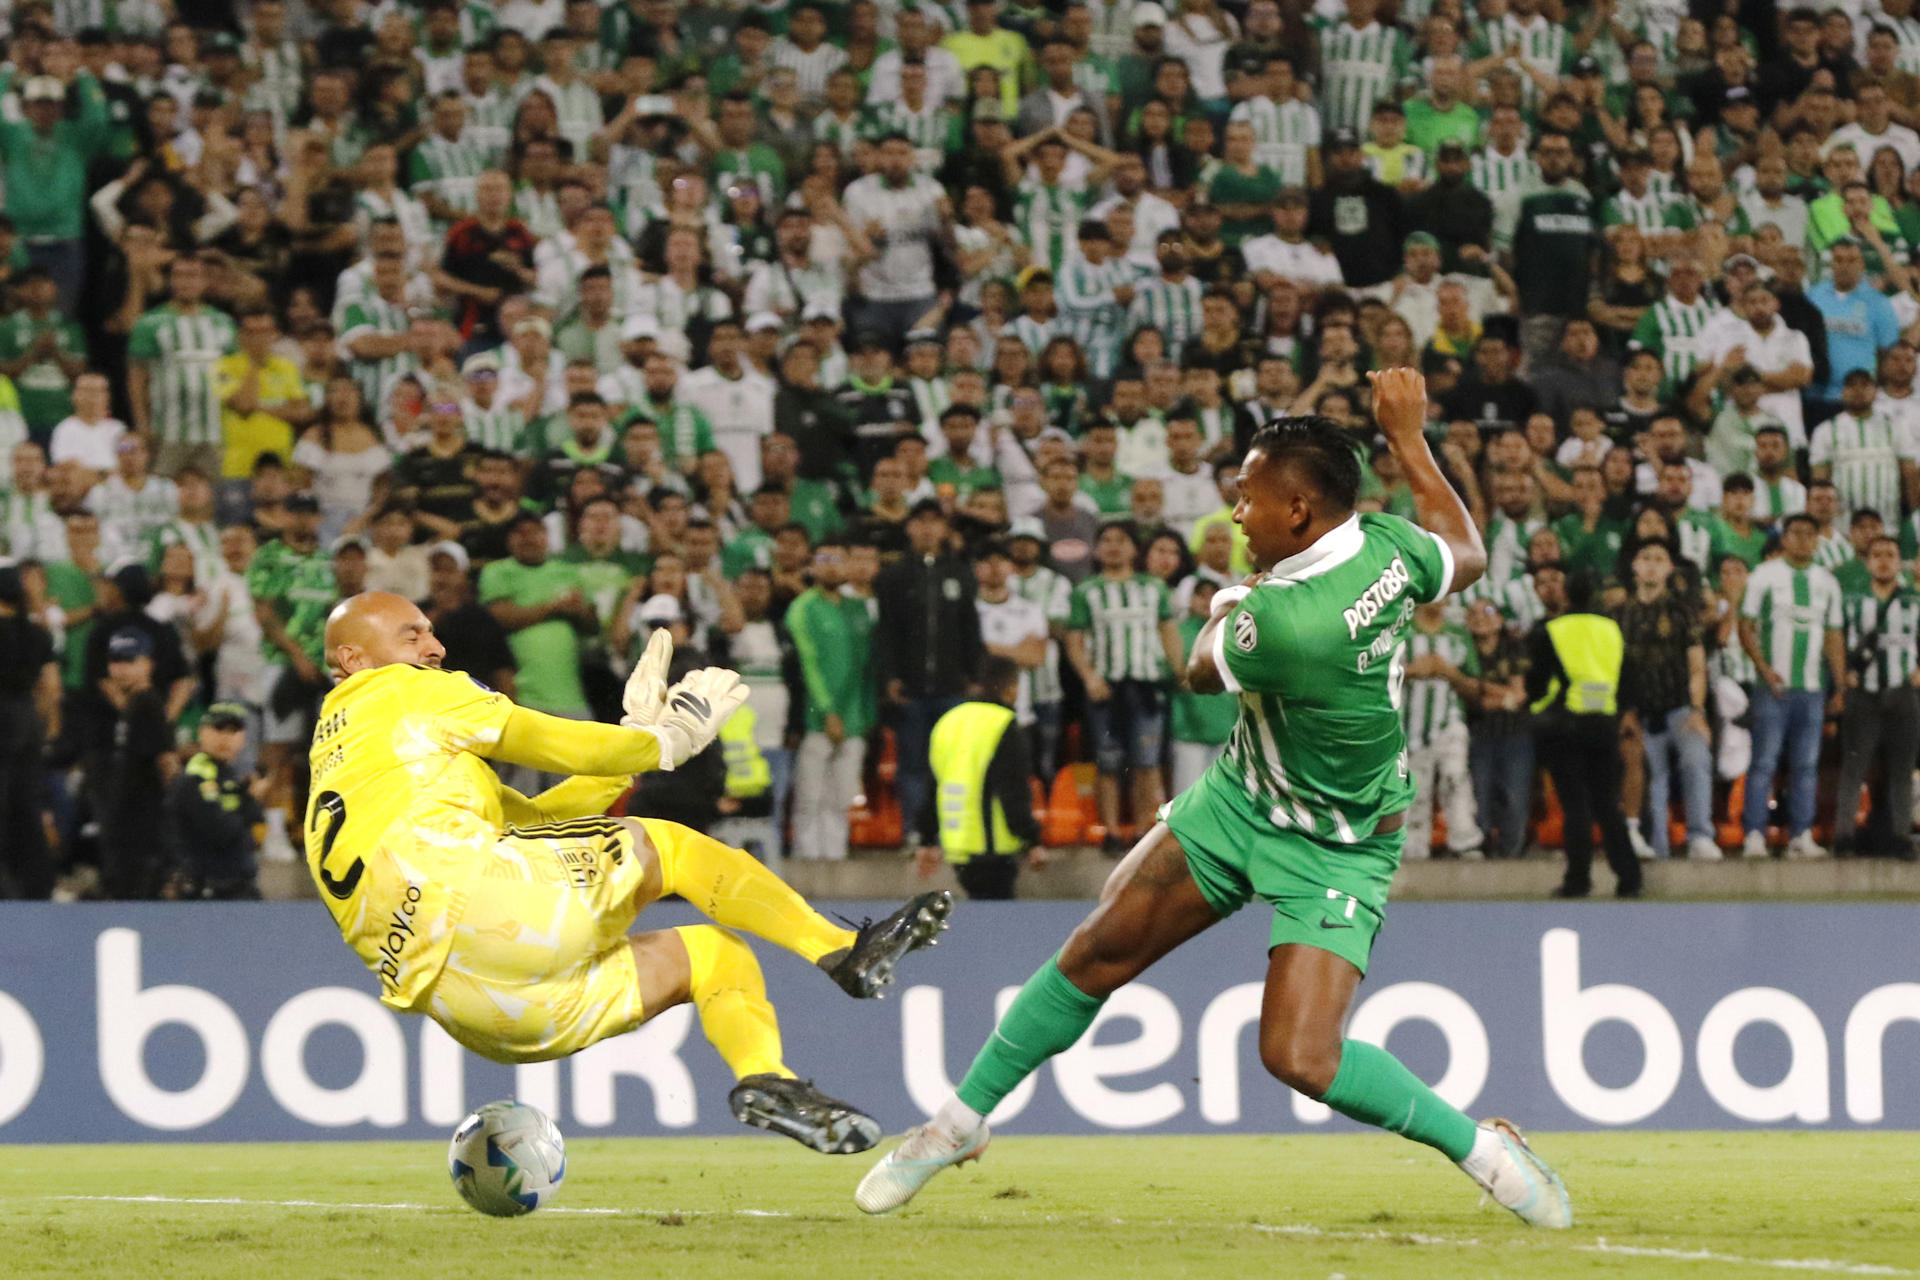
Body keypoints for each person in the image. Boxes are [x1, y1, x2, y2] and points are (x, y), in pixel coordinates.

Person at [857, 369, 1573, 1230]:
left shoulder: (1286, 621)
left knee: (1300, 1057)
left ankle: (1486, 1148)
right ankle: (956, 1125)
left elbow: (1196, 669)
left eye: (1247, 496)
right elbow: (1469, 551)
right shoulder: (1389, 545)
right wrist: (1412, 443)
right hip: (1243, 799)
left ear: (1299, 511)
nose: (1234, 513)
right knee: (1096, 953)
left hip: (1337, 842)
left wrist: (1229, 602)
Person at [310, 593, 954, 1150]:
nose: (437, 645)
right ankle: (844, 951)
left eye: (430, 630)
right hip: (481, 908)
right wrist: (662, 741)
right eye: (412, 633)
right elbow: (547, 738)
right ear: (354, 662)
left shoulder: (355, 762)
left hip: (472, 1006)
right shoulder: (399, 689)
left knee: (714, 958)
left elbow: (533, 825)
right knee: (669, 848)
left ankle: (767, 1079)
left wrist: (629, 744)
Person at [1526, 567, 1641, 900]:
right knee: (1608, 806)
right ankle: (1629, 878)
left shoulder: (1553, 630)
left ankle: (1579, 880)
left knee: (1575, 807)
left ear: (1566, 594)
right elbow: (1628, 678)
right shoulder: (1612, 630)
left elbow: (1538, 683)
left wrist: (1537, 707)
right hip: (1604, 725)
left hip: (1565, 726)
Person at [1738, 514, 1847, 860]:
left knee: (1806, 765)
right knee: (1764, 763)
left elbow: (1833, 636)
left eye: (1809, 534)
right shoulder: (1765, 576)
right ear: (1783, 539)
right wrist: (1764, 669)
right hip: (1773, 688)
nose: (1802, 540)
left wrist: (1841, 685)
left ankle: (1801, 834)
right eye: (1795, 534)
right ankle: (1754, 833)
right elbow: (1746, 625)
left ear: (1817, 540)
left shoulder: (1826, 583)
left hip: (1812, 689)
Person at [918, 655, 1044, 899]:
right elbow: (1012, 790)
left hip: (958, 847)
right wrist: (1032, 839)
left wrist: (927, 838)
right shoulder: (1003, 724)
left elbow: (933, 785)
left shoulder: (949, 721)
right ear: (1011, 688)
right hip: (993, 848)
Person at [1833, 535, 1920, 860]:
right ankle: (1843, 836)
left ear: (1901, 563)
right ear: (1867, 562)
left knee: (1903, 768)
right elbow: (1835, 637)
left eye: (1891, 554)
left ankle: (1900, 835)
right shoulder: (1852, 601)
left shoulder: (1914, 600)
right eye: (1878, 555)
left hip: (1902, 691)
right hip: (1863, 693)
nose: (1884, 560)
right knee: (1854, 766)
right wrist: (1843, 676)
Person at [163, 702, 268, 899]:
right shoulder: (195, 778)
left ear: (243, 738)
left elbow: (256, 821)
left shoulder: (230, 776)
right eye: (218, 729)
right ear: (202, 733)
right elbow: (221, 831)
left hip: (238, 885)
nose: (226, 738)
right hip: (207, 892)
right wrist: (250, 799)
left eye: (234, 730)